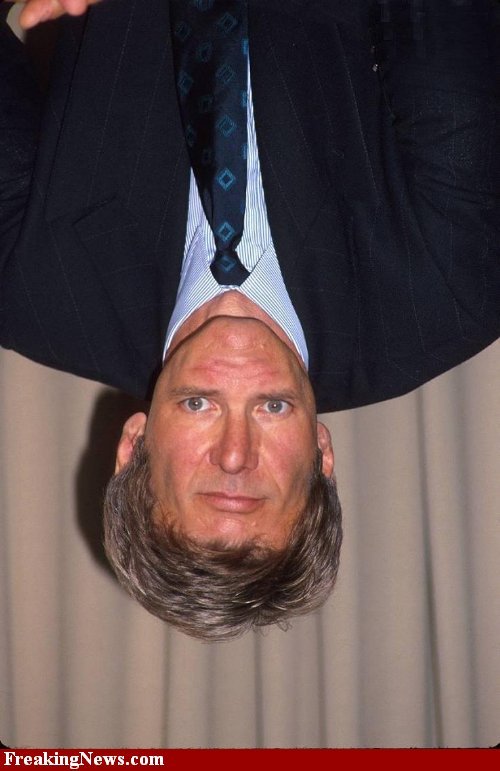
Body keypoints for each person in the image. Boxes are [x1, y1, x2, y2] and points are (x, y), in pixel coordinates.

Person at [0, 0, 498, 640]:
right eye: (258, 480)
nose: (235, 451)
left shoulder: (27, 285)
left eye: (207, 468)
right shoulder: (453, 287)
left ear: (133, 446)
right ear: (321, 455)